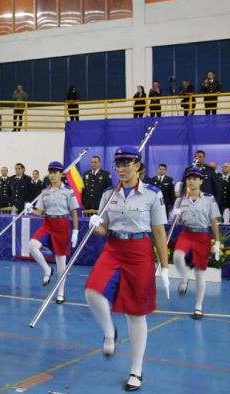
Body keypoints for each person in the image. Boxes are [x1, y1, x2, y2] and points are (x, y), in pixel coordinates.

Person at [85, 145, 169, 392]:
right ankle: (109, 331)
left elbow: (159, 231)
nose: (121, 169)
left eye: (126, 164)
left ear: (138, 166)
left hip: (140, 251)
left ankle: (136, 370)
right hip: (113, 248)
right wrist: (95, 225)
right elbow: (103, 229)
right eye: (118, 165)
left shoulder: (153, 194)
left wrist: (164, 266)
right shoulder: (109, 194)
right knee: (92, 290)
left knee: (136, 313)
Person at [25, 162, 80, 304]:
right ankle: (47, 270)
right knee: (32, 246)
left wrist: (75, 230)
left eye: (55, 172)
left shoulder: (68, 191)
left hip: (62, 225)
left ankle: (61, 293)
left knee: (61, 262)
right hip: (48, 223)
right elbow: (39, 212)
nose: (52, 175)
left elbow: (74, 212)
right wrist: (30, 209)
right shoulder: (45, 192)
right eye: (50, 172)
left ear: (61, 174)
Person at [171, 167, 221, 320]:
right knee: (177, 256)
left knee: (200, 272)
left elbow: (213, 221)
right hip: (186, 233)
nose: (191, 181)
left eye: (195, 178)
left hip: (203, 235)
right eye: (189, 178)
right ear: (186, 181)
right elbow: (175, 221)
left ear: (200, 181)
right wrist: (175, 215)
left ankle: (198, 307)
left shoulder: (208, 198)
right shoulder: (180, 200)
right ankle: (185, 277)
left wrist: (217, 241)